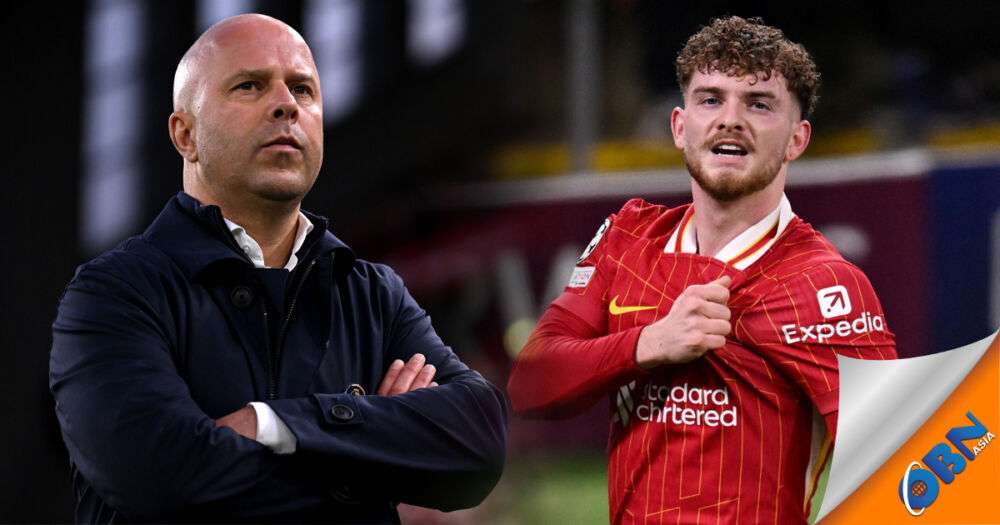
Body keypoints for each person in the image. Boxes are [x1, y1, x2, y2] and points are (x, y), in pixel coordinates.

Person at [50, 14, 507, 523]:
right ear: (185, 135)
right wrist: (377, 445)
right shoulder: (112, 295)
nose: (286, 104)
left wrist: (270, 424)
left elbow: (480, 443)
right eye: (249, 86)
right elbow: (160, 478)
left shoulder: (374, 295)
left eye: (303, 89)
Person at [507, 16, 896, 524]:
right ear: (679, 126)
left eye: (759, 104)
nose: (730, 119)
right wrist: (647, 344)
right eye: (711, 99)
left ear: (797, 140)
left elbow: (905, 466)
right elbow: (530, 385)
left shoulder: (825, 283)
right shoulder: (629, 238)